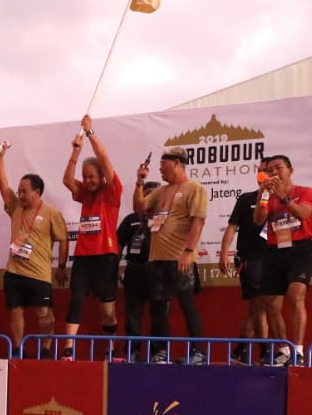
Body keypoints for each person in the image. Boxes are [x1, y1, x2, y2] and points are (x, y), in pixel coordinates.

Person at [133, 150, 208, 364]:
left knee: (187, 304)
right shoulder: (162, 191)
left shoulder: (195, 188)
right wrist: (139, 183)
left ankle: (198, 352)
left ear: (176, 163)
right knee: (157, 307)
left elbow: (198, 221)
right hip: (157, 258)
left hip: (179, 257)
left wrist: (188, 251)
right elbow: (139, 206)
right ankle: (161, 352)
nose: (159, 168)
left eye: (163, 164)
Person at [60, 115, 124, 359]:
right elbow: (67, 180)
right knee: (75, 300)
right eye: (85, 176)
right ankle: (68, 349)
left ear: (102, 177)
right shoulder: (84, 194)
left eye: (91, 176)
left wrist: (89, 133)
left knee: (107, 310)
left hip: (106, 257)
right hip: (84, 258)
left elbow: (105, 159)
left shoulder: (112, 192)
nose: (87, 180)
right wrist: (75, 152)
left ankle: (110, 347)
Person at [0, 145, 68, 354]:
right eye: (19, 191)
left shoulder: (52, 213)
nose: (20, 195)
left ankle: (45, 349)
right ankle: (18, 349)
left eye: (24, 191)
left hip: (40, 274)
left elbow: (63, 239)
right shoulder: (16, 207)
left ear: (37, 191)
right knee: (16, 312)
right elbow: (2, 183)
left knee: (45, 314)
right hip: (14, 272)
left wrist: (61, 266)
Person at [254, 154, 312, 366]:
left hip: (301, 249)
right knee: (269, 302)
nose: (273, 173)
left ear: (290, 170)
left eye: (278, 168)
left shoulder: (306, 192)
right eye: (269, 170)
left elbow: (304, 214)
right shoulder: (268, 195)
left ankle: (298, 350)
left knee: (296, 294)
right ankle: (283, 350)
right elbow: (258, 219)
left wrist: (283, 197)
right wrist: (262, 195)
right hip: (275, 249)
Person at [219, 162, 272, 365]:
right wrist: (224, 252)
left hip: (275, 257)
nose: (263, 173)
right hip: (251, 258)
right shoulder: (246, 199)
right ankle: (265, 352)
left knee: (259, 308)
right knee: (258, 304)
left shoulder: (280, 199)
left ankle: (240, 350)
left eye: (268, 170)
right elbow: (232, 227)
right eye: (261, 170)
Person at [117, 181, 158, 362]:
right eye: (146, 193)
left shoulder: (165, 217)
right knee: (132, 313)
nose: (148, 197)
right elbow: (118, 244)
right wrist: (114, 268)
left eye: (153, 194)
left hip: (158, 270)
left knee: (159, 313)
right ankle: (132, 351)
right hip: (134, 270)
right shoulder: (131, 219)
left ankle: (158, 352)